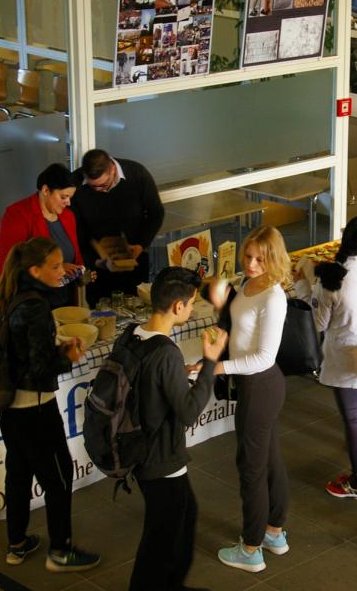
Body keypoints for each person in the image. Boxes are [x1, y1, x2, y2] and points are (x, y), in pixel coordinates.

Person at [0, 237, 100, 572]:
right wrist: (67, 356)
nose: (61, 271)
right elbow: (39, 369)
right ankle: (61, 551)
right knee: (59, 476)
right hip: (34, 407)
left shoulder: (10, 294)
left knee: (19, 472)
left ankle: (17, 543)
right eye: (54, 267)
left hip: (9, 406)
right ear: (34, 270)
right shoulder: (35, 307)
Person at [128, 267, 228, 591]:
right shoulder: (166, 352)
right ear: (178, 307)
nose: (191, 307)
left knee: (182, 518)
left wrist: (177, 376)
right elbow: (187, 412)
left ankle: (171, 584)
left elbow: (147, 385)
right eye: (191, 303)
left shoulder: (132, 334)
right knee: (162, 535)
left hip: (140, 449)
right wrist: (210, 362)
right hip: (160, 457)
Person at [212, 226, 291, 573]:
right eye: (248, 256)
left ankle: (251, 548)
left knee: (252, 467)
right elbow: (238, 324)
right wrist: (222, 301)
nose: (253, 263)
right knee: (269, 460)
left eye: (261, 258)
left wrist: (217, 368)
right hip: (252, 385)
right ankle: (274, 532)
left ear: (274, 258)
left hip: (261, 384)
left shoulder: (274, 298)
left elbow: (264, 357)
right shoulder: (246, 284)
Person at [294, 217, 357, 501]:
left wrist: (302, 287)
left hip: (342, 356)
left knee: (353, 420)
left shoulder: (331, 279)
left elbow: (320, 324)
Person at [70, 149, 164, 307]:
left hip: (134, 259)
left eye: (103, 185)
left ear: (112, 169)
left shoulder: (136, 173)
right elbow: (75, 230)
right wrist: (92, 261)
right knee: (101, 315)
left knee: (137, 313)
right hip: (98, 266)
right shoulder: (75, 183)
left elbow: (156, 213)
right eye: (93, 187)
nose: (99, 190)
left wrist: (141, 245)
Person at [0, 164, 86, 308]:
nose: (68, 202)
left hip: (63, 297)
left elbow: (74, 253)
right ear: (46, 190)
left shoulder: (68, 216)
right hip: (29, 300)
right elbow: (12, 263)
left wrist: (80, 271)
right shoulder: (18, 214)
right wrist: (58, 267)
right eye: (64, 197)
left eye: (70, 197)